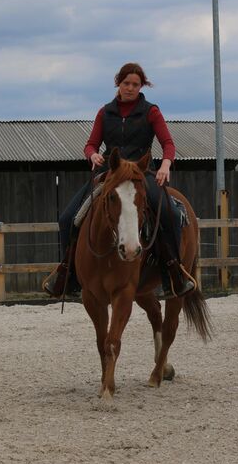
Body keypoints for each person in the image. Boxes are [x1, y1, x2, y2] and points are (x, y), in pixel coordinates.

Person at [42, 62, 194, 299]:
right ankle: (68, 274)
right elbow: (91, 144)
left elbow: (168, 144)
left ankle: (174, 272)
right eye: (126, 83)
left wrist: (166, 164)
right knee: (67, 218)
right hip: (111, 176)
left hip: (141, 176)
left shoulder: (151, 111)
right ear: (118, 84)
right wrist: (92, 154)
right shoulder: (105, 112)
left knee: (171, 215)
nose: (130, 88)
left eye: (135, 84)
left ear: (141, 86)